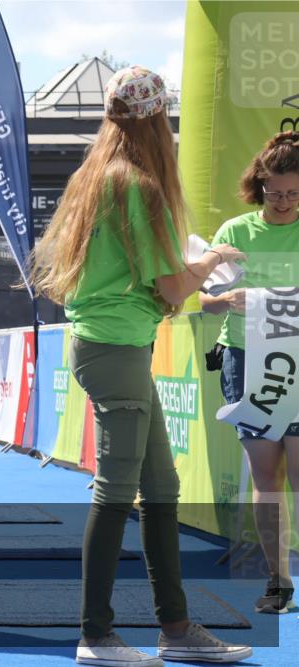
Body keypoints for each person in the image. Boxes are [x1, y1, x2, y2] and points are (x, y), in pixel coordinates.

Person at [30, 66, 252, 666]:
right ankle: (96, 635)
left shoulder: (95, 176)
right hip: (117, 348)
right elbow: (173, 289)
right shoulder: (139, 185)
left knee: (160, 488)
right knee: (116, 491)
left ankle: (173, 628)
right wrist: (214, 260)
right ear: (159, 120)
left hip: (110, 346)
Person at [200, 131, 299, 614]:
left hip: (296, 359)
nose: (283, 202)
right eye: (274, 192)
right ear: (259, 185)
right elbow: (202, 297)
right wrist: (226, 300)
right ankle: (279, 580)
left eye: (293, 193)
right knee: (266, 475)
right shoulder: (235, 232)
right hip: (246, 359)